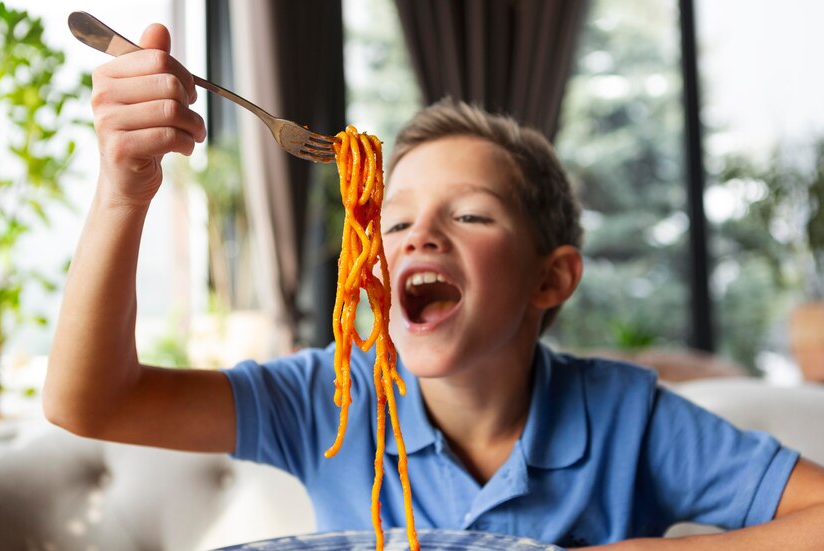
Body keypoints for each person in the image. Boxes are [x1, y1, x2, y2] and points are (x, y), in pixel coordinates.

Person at [45, 23, 824, 549]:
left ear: (550, 278)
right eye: (394, 218)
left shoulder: (627, 417)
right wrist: (124, 190)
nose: (419, 234)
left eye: (472, 215)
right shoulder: (333, 399)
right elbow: (91, 400)